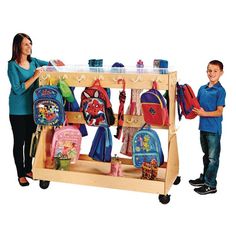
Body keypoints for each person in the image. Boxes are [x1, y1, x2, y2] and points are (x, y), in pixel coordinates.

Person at [8, 33, 48, 186]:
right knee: (19, 142)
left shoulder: (34, 62)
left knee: (30, 141)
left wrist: (57, 63)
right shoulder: (12, 65)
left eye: (30, 43)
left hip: (33, 109)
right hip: (17, 111)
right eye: (26, 44)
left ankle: (27, 169)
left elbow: (51, 65)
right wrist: (36, 75)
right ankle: (20, 174)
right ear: (18, 46)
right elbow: (17, 89)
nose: (29, 47)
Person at [189, 60, 226, 195]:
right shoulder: (202, 89)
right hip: (203, 128)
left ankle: (211, 185)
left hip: (213, 130)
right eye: (209, 70)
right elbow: (195, 104)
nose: (212, 73)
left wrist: (204, 113)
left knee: (212, 158)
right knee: (206, 156)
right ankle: (205, 178)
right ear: (206, 72)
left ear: (221, 73)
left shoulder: (220, 91)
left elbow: (219, 111)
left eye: (215, 71)